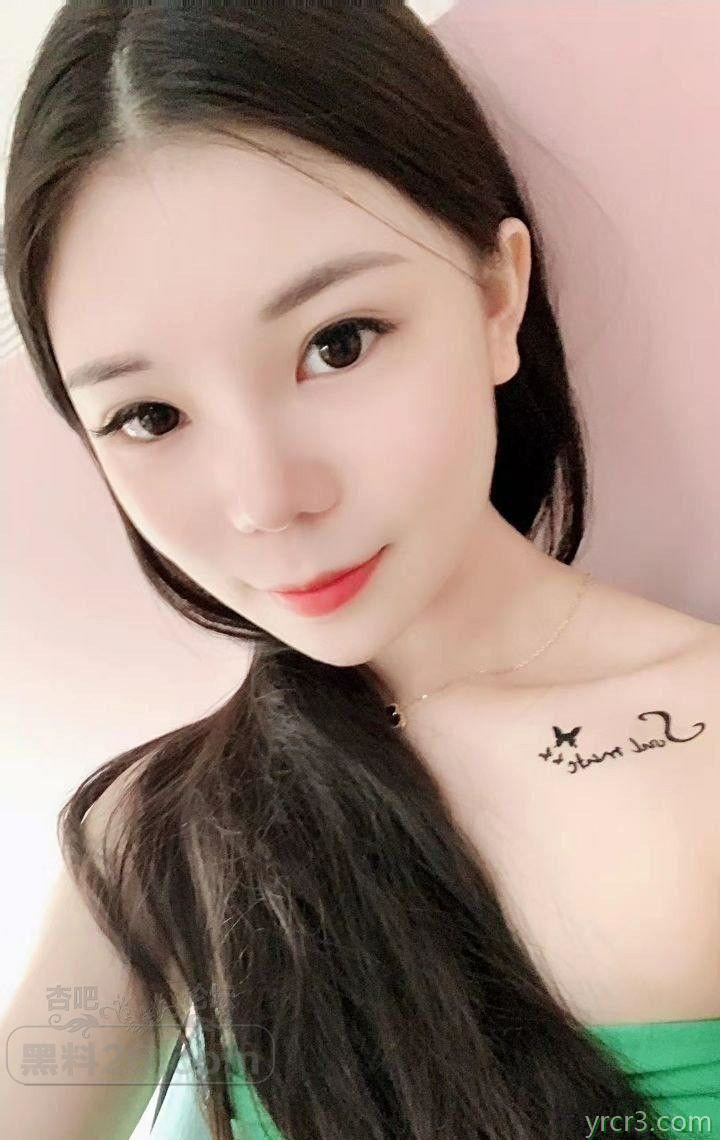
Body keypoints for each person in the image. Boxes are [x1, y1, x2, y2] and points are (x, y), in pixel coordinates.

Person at [2, 5, 719, 1140]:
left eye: (337, 343)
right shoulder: (154, 841)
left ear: (496, 295)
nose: (265, 499)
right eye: (149, 416)